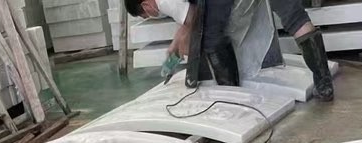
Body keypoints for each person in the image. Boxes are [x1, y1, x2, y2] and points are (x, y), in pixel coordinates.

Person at [124, 0, 333, 100]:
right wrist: (179, 37)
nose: (152, 15)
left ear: (146, 5)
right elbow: (188, 15)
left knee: (212, 39)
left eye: (146, 15)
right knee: (295, 18)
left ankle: (232, 97)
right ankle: (324, 84)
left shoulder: (161, 1)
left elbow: (193, 18)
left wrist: (185, 40)